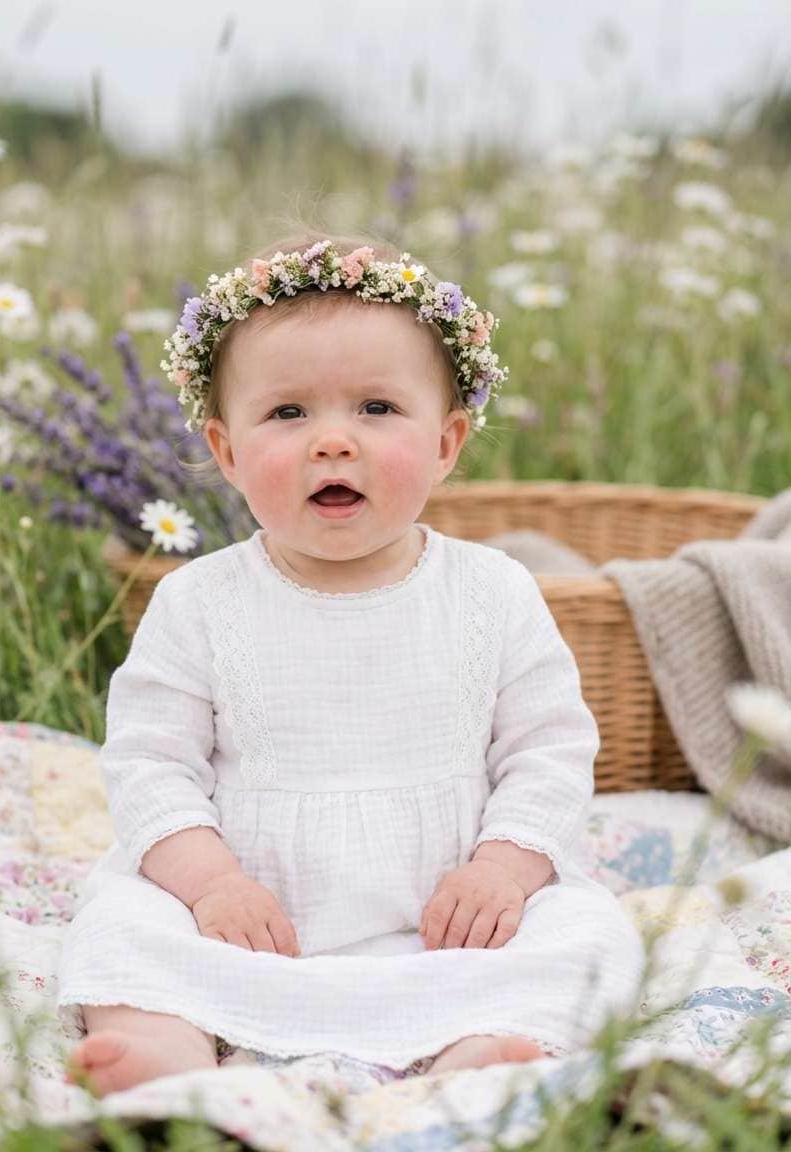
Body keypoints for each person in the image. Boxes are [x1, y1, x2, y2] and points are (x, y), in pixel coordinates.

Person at [57, 233, 646, 1097]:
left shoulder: (495, 592)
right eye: (288, 414)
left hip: (449, 919)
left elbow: (548, 751)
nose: (333, 442)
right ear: (225, 452)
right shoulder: (198, 602)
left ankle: (483, 1050)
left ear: (447, 444)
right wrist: (211, 884)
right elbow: (150, 764)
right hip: (246, 917)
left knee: (591, 934)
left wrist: (503, 869)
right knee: (117, 919)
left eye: (376, 408)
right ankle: (163, 1047)